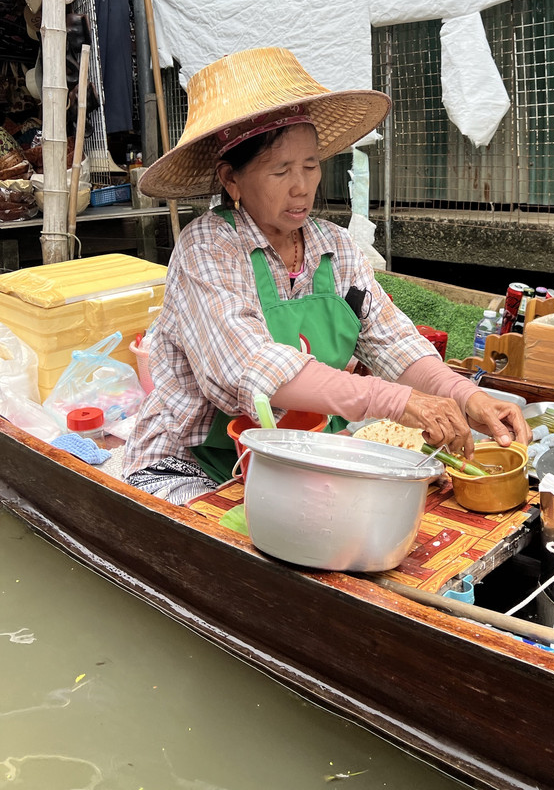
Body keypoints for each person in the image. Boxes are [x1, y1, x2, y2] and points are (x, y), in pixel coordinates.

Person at [123, 48, 529, 504]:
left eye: (311, 165)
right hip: (197, 461)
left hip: (303, 456)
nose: (302, 186)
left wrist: (462, 395)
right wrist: (396, 401)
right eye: (281, 170)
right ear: (231, 179)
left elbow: (390, 341)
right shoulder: (208, 247)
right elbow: (246, 369)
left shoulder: (334, 247)